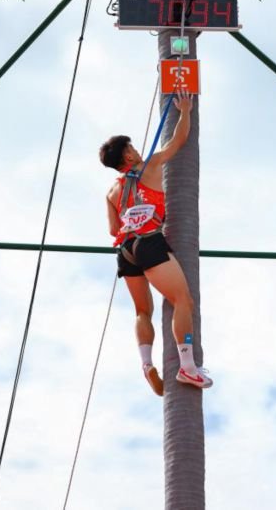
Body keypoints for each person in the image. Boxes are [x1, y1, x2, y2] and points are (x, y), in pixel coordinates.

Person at [99, 91, 212, 395]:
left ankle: (147, 364)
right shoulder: (150, 166)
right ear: (126, 155)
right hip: (149, 243)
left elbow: (113, 230)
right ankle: (188, 368)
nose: (136, 149)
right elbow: (179, 140)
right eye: (131, 146)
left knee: (142, 312)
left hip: (125, 251)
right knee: (183, 301)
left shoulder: (111, 191)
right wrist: (185, 110)